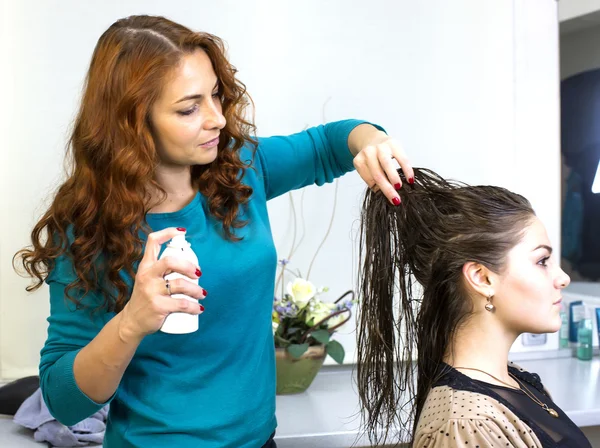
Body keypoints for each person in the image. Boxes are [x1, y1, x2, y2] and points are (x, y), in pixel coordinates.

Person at [13, 14, 413, 448]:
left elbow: (329, 144)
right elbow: (63, 400)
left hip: (260, 440)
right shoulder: (87, 228)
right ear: (131, 121)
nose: (217, 119)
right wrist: (131, 323)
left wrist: (372, 141)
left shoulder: (238, 169)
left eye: (216, 96)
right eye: (189, 107)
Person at [356, 168, 592, 447]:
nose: (563, 278)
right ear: (482, 278)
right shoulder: (468, 424)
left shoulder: (515, 381)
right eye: (542, 261)